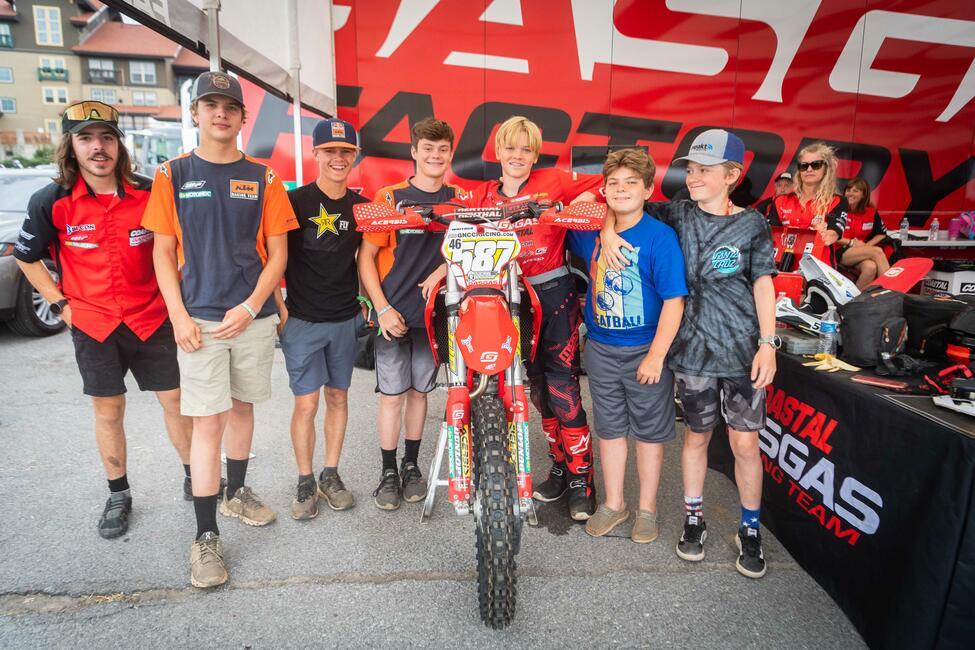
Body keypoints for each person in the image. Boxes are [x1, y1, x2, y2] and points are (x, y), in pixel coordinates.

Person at [142, 71, 298, 588]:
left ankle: (236, 494)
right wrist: (179, 316)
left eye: (229, 106)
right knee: (208, 423)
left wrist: (254, 306)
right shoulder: (172, 174)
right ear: (195, 114)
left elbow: (279, 254)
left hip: (249, 318)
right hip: (199, 321)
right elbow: (162, 252)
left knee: (243, 410)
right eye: (209, 105)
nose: (220, 113)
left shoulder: (265, 177)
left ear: (241, 116)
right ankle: (205, 536)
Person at [600, 129, 778, 578]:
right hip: (692, 354)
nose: (692, 177)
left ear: (732, 175)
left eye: (704, 170)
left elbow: (763, 283)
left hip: (741, 352)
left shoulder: (753, 224)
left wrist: (768, 344)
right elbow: (618, 204)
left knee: (744, 442)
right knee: (696, 437)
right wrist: (605, 233)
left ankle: (750, 528)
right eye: (691, 169)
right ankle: (693, 519)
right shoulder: (675, 213)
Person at [13, 100, 193, 540]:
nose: (98, 147)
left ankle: (196, 476)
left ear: (119, 145)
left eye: (107, 137)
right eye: (86, 138)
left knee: (176, 403)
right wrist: (60, 305)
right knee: (109, 411)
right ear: (70, 146)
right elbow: (26, 257)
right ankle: (119, 494)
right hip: (93, 325)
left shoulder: (151, 193)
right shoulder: (51, 201)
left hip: (152, 319)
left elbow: (177, 251)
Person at [461, 116, 603, 520]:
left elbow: (603, 189)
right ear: (498, 151)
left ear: (535, 154)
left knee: (563, 385)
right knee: (534, 385)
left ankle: (582, 479)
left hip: (553, 292)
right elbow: (456, 233)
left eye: (526, 149)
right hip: (505, 297)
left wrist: (574, 205)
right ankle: (559, 466)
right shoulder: (481, 195)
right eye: (511, 148)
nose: (517, 156)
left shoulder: (555, 179)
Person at [565, 148, 686, 542]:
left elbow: (674, 301)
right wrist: (605, 227)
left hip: (645, 351)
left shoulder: (660, 237)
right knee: (610, 429)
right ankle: (615, 503)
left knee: (649, 435)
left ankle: (647, 509)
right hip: (601, 350)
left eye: (631, 183)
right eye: (613, 183)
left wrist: (656, 356)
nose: (621, 190)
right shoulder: (590, 232)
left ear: (649, 189)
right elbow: (575, 203)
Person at [358, 117, 463, 511]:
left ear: (450, 154)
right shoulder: (389, 198)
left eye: (442, 149)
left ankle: (411, 466)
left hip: (437, 315)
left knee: (420, 394)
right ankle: (387, 472)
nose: (435, 156)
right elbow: (365, 258)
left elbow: (469, 254)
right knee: (391, 397)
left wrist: (443, 269)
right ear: (414, 152)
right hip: (393, 315)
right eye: (428, 148)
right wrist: (381, 309)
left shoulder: (461, 199)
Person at [276, 118, 369, 520]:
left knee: (338, 397)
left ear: (355, 156)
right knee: (306, 404)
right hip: (301, 321)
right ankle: (304, 479)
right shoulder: (293, 202)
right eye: (329, 151)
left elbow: (371, 260)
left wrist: (367, 301)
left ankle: (331, 475)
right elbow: (271, 256)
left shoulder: (361, 207)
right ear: (315, 154)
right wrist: (281, 314)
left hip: (344, 319)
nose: (338, 158)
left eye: (345, 151)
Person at [767, 142, 848, 266]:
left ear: (826, 168)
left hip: (818, 268)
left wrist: (822, 233)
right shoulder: (781, 201)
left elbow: (832, 235)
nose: (809, 169)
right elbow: (770, 237)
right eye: (804, 166)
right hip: (782, 266)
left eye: (816, 165)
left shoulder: (837, 201)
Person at [838, 176, 890, 288]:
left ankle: (856, 301)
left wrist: (866, 246)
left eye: (855, 191)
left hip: (859, 252)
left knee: (870, 267)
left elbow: (881, 234)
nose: (850, 193)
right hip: (839, 251)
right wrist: (850, 242)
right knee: (877, 252)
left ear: (863, 195)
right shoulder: (838, 210)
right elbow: (829, 234)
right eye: (848, 190)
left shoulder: (871, 212)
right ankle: (890, 291)